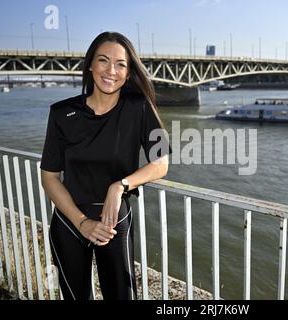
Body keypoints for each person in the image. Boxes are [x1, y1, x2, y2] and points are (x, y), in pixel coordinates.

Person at [40, 31, 170, 300]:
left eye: (121, 64)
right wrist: (82, 222)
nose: (111, 70)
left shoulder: (138, 108)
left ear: (128, 70)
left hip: (114, 221)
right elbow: (50, 177)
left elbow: (161, 163)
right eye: (103, 60)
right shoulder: (61, 113)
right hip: (69, 221)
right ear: (90, 65)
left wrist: (120, 185)